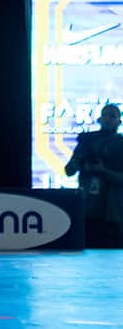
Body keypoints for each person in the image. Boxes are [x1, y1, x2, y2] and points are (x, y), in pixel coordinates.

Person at [65, 103, 123, 246]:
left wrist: (103, 171)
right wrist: (78, 161)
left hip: (113, 212)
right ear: (99, 119)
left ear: (119, 122)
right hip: (88, 209)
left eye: (113, 116)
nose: (108, 119)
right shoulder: (86, 141)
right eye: (105, 115)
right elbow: (69, 171)